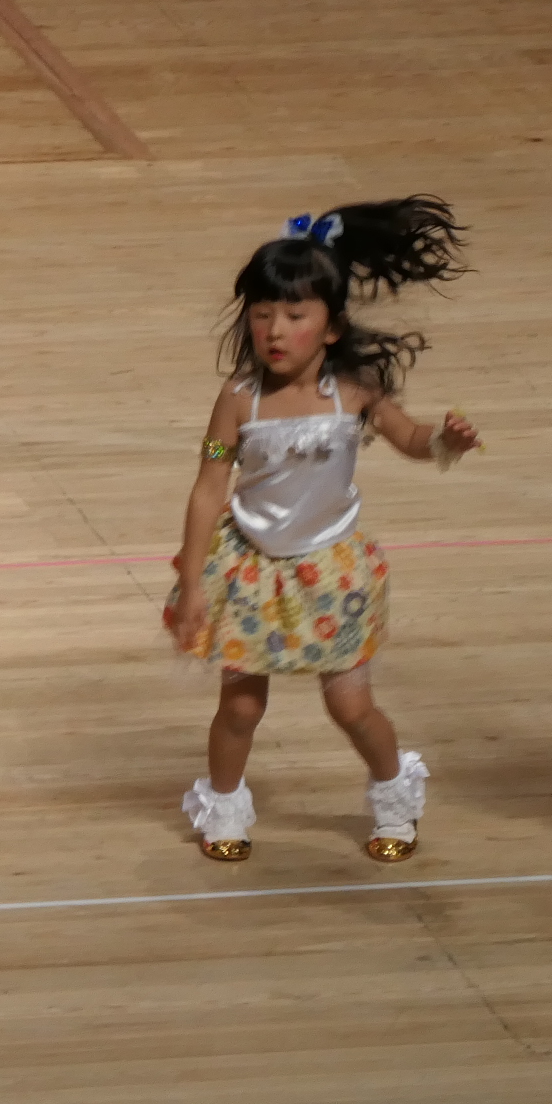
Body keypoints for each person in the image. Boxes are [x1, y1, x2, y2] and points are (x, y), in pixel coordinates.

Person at [166, 200, 478, 863]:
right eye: (261, 314)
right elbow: (209, 486)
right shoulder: (238, 399)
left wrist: (444, 441)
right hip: (251, 571)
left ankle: (394, 796)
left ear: (332, 327)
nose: (274, 330)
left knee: (351, 707)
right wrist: (191, 583)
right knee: (240, 708)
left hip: (333, 573)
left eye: (294, 315)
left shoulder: (355, 391)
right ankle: (224, 808)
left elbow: (410, 438)